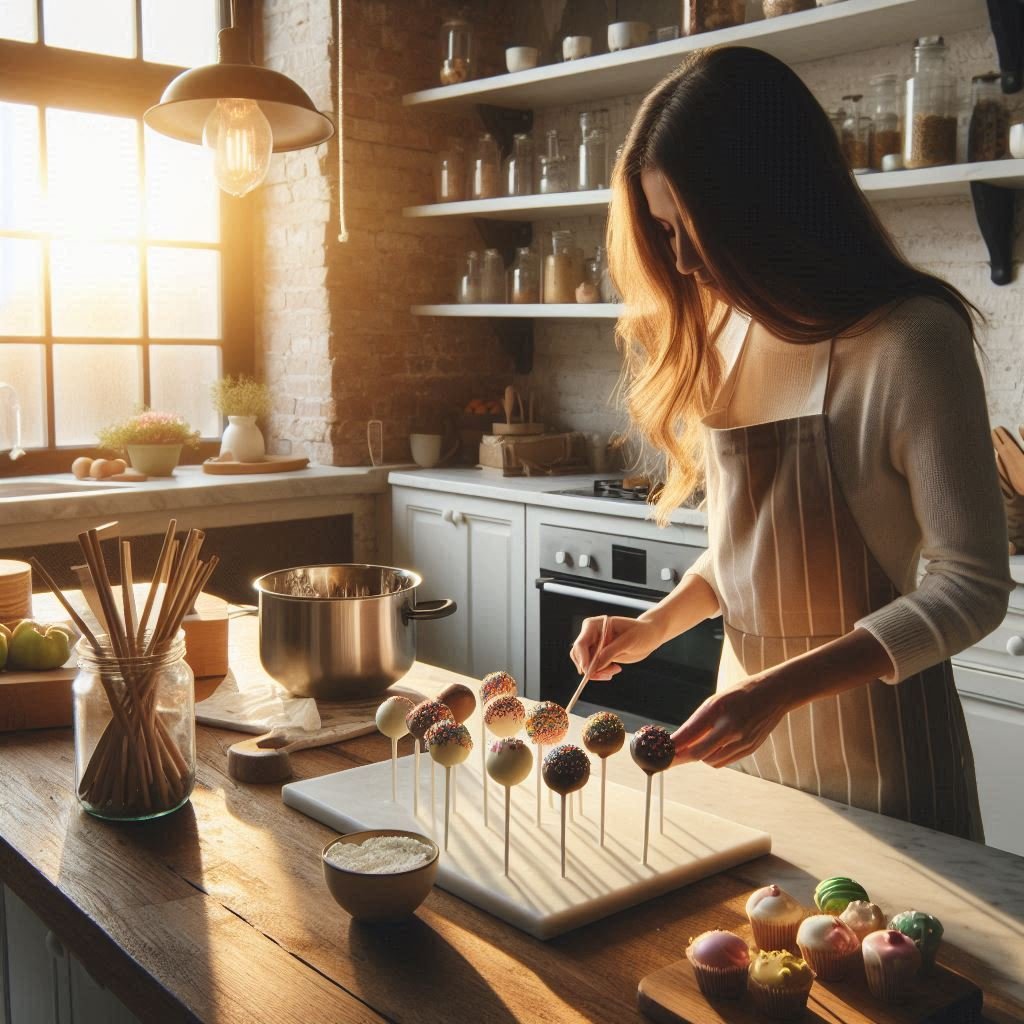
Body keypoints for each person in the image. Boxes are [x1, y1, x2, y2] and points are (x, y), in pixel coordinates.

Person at [570, 47, 1012, 841]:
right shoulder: (727, 331)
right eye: (666, 232)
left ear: (772, 207)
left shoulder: (911, 339)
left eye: (695, 230)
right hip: (749, 752)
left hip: (887, 763)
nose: (682, 263)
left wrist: (775, 691)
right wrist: (655, 626)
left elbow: (972, 587)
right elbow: (752, 548)